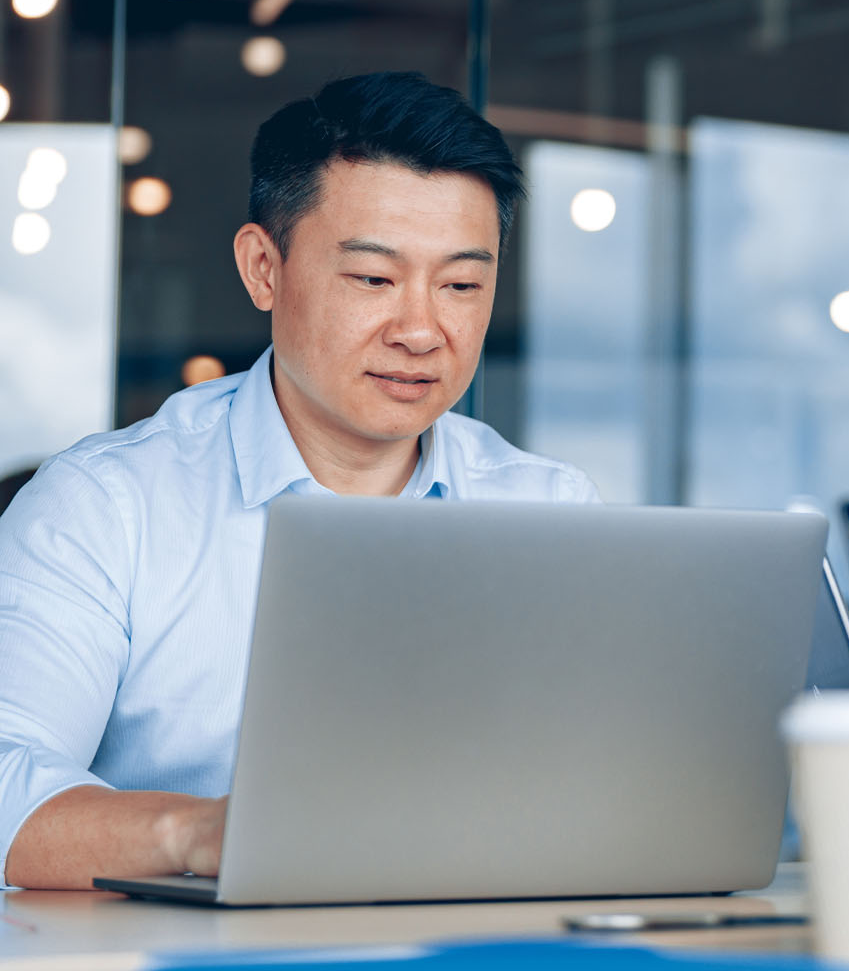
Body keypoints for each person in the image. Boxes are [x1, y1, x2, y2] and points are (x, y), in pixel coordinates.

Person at [0, 72, 598, 891]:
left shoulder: (552, 513)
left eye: (461, 285)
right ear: (263, 269)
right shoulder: (107, 507)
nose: (423, 330)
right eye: (373, 280)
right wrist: (205, 835)